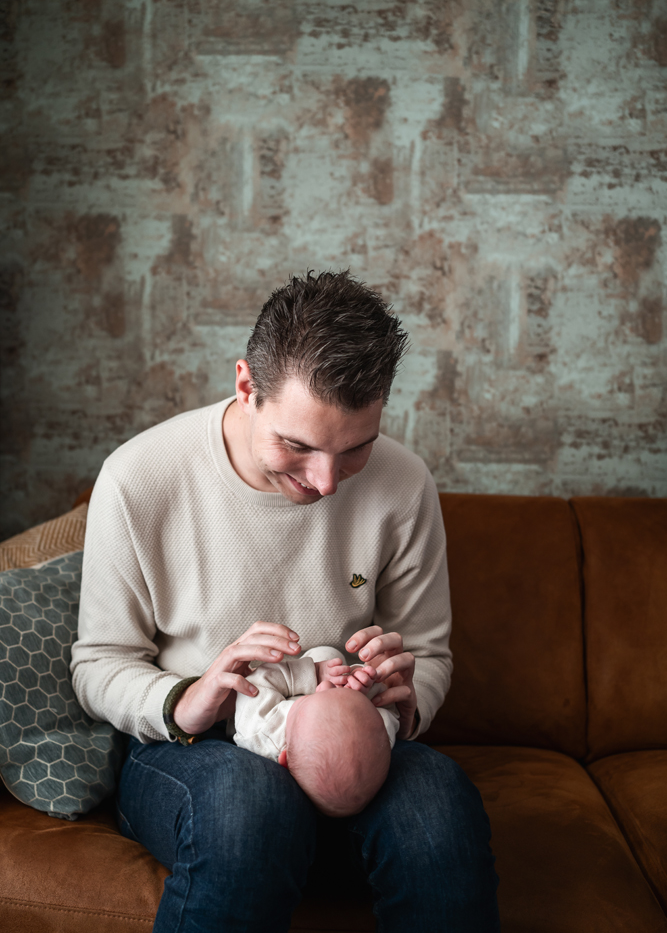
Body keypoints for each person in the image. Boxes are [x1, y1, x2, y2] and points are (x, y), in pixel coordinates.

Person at [71, 270, 500, 932]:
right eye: (296, 447)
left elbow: (429, 653)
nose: (326, 482)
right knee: (248, 807)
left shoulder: (404, 483)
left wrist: (404, 692)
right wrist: (191, 697)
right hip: (192, 750)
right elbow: (98, 665)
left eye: (355, 448)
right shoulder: (140, 478)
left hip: (349, 734)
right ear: (246, 386)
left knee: (440, 809)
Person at [233, 645, 400, 816]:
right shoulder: (380, 742)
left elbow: (254, 685)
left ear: (286, 759)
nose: (325, 685)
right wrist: (361, 691)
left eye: (309, 699)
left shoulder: (264, 728)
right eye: (332, 690)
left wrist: (314, 673)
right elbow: (388, 712)